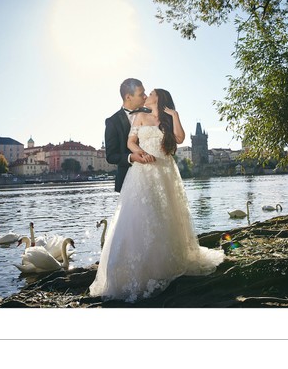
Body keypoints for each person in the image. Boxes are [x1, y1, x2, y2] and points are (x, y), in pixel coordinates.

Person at [90, 88, 224, 303]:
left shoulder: (168, 120)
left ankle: (166, 263)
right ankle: (138, 268)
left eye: (151, 92)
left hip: (165, 171)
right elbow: (130, 142)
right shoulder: (139, 116)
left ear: (159, 98)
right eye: (145, 92)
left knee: (166, 213)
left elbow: (179, 139)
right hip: (142, 170)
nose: (147, 94)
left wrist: (176, 116)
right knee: (138, 215)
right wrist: (139, 153)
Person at [104, 78, 152, 193]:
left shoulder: (151, 114)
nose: (145, 96)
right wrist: (131, 157)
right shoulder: (113, 122)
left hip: (154, 174)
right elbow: (111, 156)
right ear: (128, 97)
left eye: (145, 92)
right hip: (128, 180)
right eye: (141, 94)